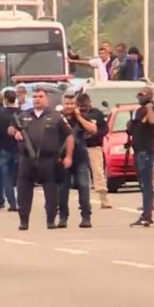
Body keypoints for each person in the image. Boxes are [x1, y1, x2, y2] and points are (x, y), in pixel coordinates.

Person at [9, 88, 74, 230]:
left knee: (51, 192)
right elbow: (11, 129)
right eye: (35, 96)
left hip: (48, 159)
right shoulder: (24, 115)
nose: (37, 99)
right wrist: (15, 132)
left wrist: (68, 156)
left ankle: (50, 220)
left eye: (40, 96)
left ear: (47, 99)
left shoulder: (56, 116)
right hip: (27, 159)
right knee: (23, 191)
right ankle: (24, 221)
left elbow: (69, 136)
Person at [57, 93, 96, 229]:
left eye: (72, 104)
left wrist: (79, 117)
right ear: (63, 104)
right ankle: (62, 217)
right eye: (67, 104)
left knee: (84, 188)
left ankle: (86, 217)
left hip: (80, 158)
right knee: (62, 190)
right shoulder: (58, 118)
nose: (69, 106)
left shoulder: (81, 117)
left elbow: (93, 129)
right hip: (62, 159)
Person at [127, 87, 154, 227]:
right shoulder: (139, 111)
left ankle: (146, 216)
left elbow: (153, 121)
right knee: (143, 185)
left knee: (146, 185)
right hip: (138, 151)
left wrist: (148, 107)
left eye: (142, 95)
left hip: (146, 153)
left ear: (149, 95)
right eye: (138, 95)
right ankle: (146, 213)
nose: (139, 97)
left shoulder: (152, 109)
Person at [77, 93, 110, 208]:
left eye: (85, 106)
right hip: (80, 147)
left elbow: (105, 129)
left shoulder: (97, 114)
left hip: (94, 146)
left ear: (89, 103)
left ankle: (104, 199)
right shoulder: (75, 115)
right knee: (81, 175)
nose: (83, 109)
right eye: (81, 107)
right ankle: (84, 201)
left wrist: (95, 135)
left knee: (98, 173)